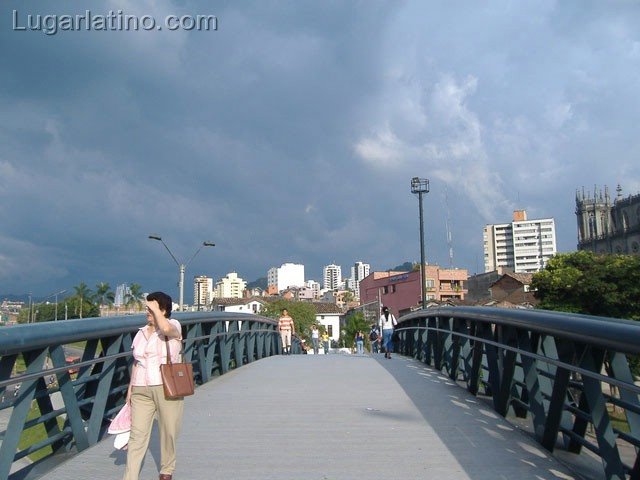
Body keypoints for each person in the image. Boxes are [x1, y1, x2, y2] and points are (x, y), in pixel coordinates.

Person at [124, 291, 184, 480]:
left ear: (163, 309)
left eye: (151, 309)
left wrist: (157, 312)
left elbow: (165, 329)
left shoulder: (173, 325)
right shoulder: (141, 333)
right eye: (147, 309)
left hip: (166, 386)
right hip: (141, 388)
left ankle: (166, 470)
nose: (147, 312)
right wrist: (130, 390)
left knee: (169, 432)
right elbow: (137, 363)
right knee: (137, 436)